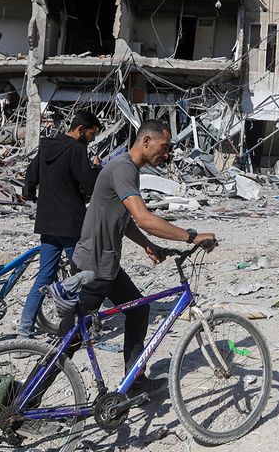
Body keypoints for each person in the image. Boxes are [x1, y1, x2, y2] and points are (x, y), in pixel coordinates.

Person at [63, 119, 216, 395]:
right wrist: (191, 236)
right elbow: (143, 218)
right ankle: (22, 410)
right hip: (94, 268)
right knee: (67, 344)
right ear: (146, 141)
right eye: (164, 146)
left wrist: (147, 245)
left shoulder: (127, 168)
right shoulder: (123, 169)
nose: (166, 154)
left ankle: (133, 382)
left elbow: (127, 219)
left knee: (138, 309)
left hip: (105, 265)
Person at [18, 110, 102, 338]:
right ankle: (80, 329)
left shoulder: (47, 147)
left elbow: (31, 173)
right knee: (83, 276)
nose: (92, 139)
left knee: (44, 277)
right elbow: (89, 187)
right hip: (71, 225)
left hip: (47, 223)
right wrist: (96, 168)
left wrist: (30, 190)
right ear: (81, 130)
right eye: (92, 134)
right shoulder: (76, 151)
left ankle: (23, 332)